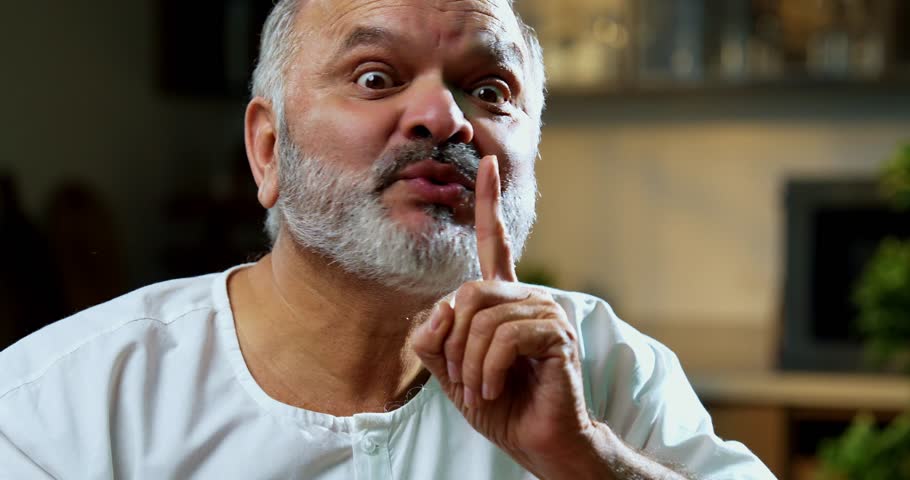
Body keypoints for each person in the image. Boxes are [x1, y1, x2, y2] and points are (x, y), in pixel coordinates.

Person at [0, 0, 774, 478]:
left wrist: (587, 461)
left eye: (490, 89)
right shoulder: (58, 408)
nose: (446, 118)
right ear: (268, 150)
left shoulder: (608, 371)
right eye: (375, 77)